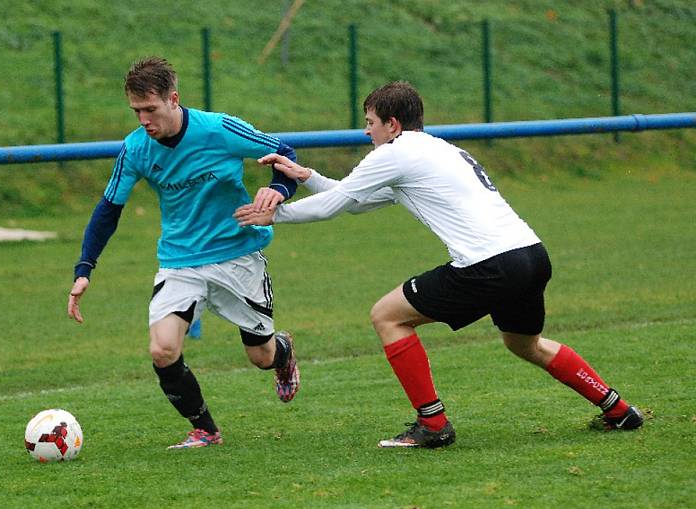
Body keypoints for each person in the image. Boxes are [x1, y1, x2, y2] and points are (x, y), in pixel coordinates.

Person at [234, 81, 643, 449]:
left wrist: (276, 215)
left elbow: (335, 206)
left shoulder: (395, 154)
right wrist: (306, 175)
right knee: (525, 344)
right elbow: (356, 199)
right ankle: (618, 409)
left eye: (370, 122)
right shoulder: (437, 149)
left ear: (392, 124)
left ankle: (433, 424)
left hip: (489, 263)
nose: (365, 131)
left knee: (387, 316)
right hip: (531, 255)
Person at [68, 57, 300, 449]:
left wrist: (278, 189)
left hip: (237, 255)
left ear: (173, 99)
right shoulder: (136, 148)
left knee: (260, 356)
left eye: (150, 109)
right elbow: (109, 208)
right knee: (162, 349)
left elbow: (286, 154)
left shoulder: (220, 129)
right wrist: (85, 267)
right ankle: (205, 429)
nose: (143, 120)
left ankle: (283, 351)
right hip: (180, 261)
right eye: (136, 111)